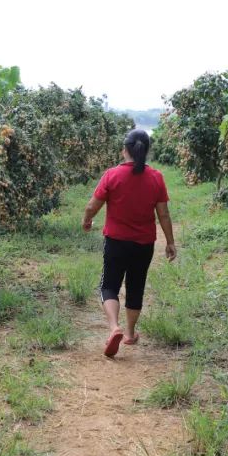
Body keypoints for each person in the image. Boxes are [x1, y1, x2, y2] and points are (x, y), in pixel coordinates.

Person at [81, 129, 176, 358]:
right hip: (144, 244)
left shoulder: (112, 175)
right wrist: (170, 242)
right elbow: (163, 214)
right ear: (147, 150)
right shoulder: (156, 177)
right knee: (136, 286)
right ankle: (130, 334)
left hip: (116, 241)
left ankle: (114, 327)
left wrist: (87, 221)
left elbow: (92, 206)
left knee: (109, 285)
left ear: (125, 150)